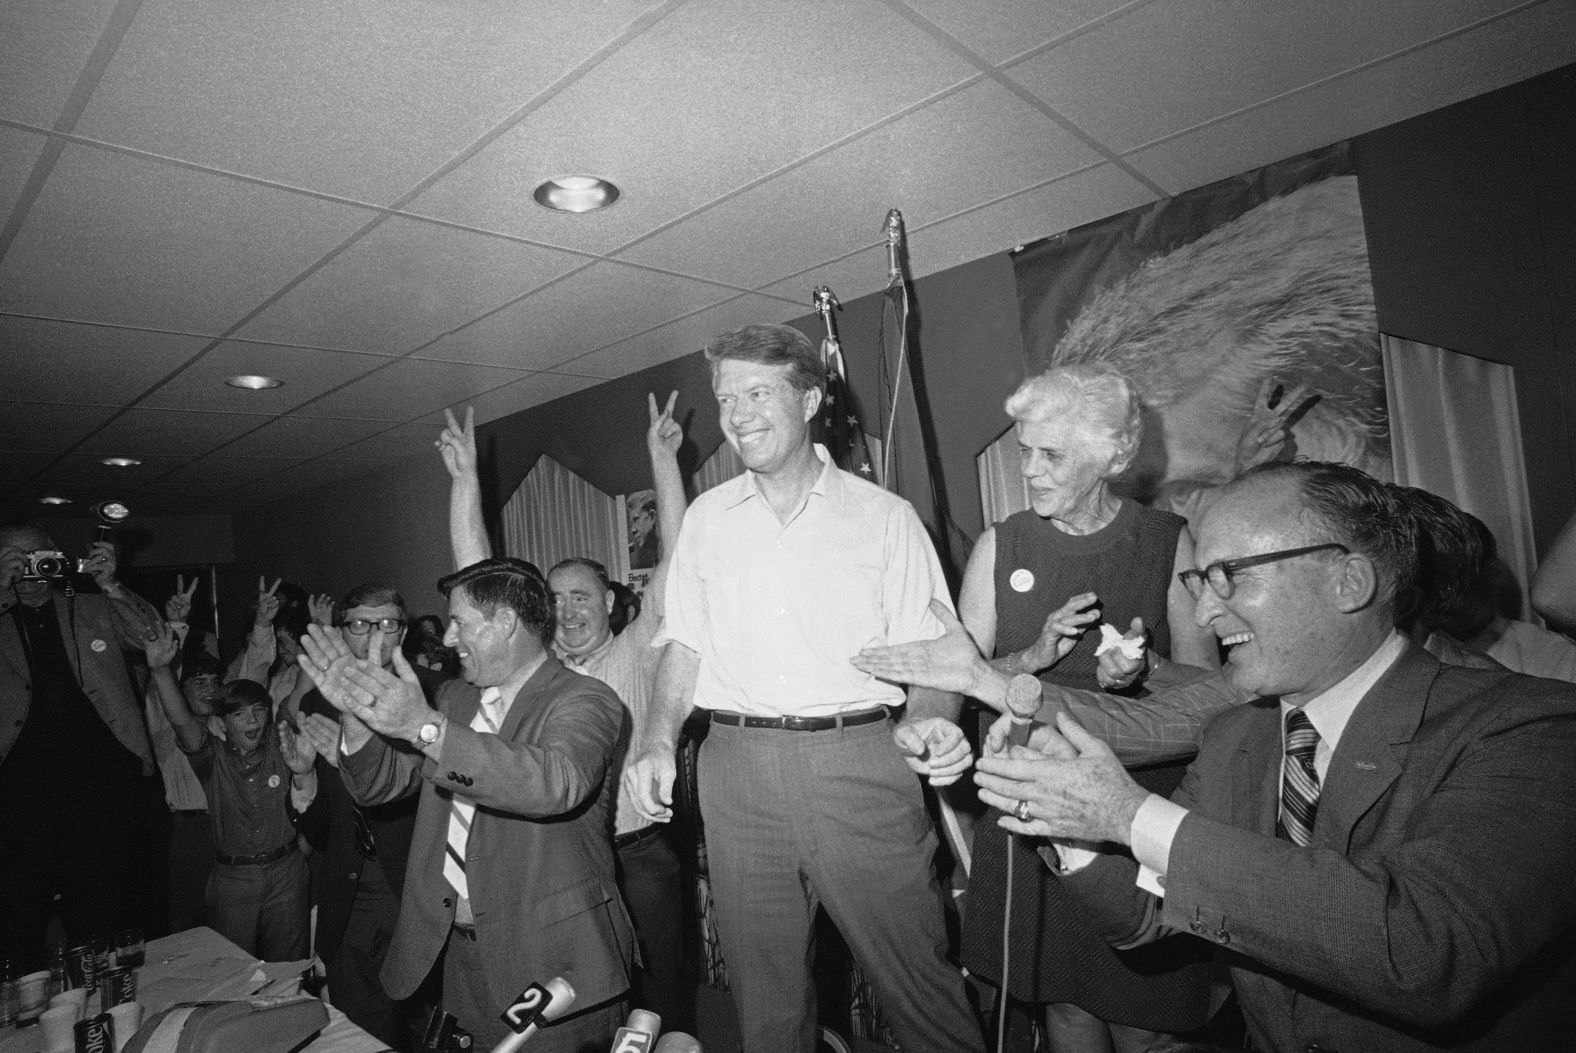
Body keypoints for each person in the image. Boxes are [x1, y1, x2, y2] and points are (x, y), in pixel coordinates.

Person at [973, 461, 1576, 1050]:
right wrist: (1065, 819)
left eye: (1230, 576)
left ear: (1350, 582)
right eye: (1199, 582)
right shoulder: (1240, 737)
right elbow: (1147, 916)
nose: (1207, 613)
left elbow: (1425, 955)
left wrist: (1126, 814)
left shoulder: (1530, 727)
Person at [625, 323, 984, 1053]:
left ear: (812, 398)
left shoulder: (884, 518)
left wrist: (933, 720)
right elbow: (682, 644)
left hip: (861, 766)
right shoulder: (706, 520)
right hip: (735, 770)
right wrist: (657, 739)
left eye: (759, 392)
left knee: (919, 984)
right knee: (768, 1002)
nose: (737, 413)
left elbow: (937, 656)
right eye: (727, 396)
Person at [948, 365, 1220, 1049]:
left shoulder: (1166, 541)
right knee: (1066, 1005)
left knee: (1147, 1023)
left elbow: (1214, 693)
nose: (1031, 471)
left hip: (1130, 806)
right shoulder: (999, 546)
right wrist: (1032, 655)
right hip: (1031, 811)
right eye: (1025, 452)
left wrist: (1143, 672)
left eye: (1052, 455)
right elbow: (960, 677)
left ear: (1114, 456)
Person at [299, 557, 633, 1051]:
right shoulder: (457, 699)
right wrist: (356, 714)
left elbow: (553, 782)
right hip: (460, 963)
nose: (450, 639)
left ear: (505, 623)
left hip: (556, 968)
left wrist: (423, 728)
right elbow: (380, 786)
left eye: (459, 622)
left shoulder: (584, 699)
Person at [438, 393, 692, 1028]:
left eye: (583, 596)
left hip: (639, 854)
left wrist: (663, 460)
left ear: (610, 600)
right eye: (556, 598)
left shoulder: (636, 653)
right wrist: (466, 482)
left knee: (662, 994)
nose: (570, 609)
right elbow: (479, 582)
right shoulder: (534, 672)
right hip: (563, 862)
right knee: (584, 1006)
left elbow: (681, 560)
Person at [0, 522, 163, 969]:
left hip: (100, 783)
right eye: (13, 557)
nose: (27, 566)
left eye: (36, 555)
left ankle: (106, 995)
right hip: (20, 789)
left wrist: (110, 584)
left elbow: (153, 637)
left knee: (103, 905)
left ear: (55, 554)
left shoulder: (90, 606)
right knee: (19, 910)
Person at [292, 584, 446, 1049]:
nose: (374, 638)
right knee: (359, 1028)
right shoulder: (318, 703)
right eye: (360, 624)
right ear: (341, 631)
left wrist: (362, 767)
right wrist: (304, 781)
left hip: (418, 884)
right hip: (350, 888)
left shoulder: (438, 695)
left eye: (387, 624)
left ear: (404, 631)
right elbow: (322, 829)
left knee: (438, 1023)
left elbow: (455, 796)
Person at [145, 626, 318, 961]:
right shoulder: (211, 757)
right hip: (232, 880)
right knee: (233, 974)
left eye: (258, 710)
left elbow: (301, 688)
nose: (252, 720)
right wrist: (161, 670)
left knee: (289, 970)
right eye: (239, 714)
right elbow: (181, 721)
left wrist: (313, 639)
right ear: (222, 723)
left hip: (287, 873)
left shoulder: (280, 744)